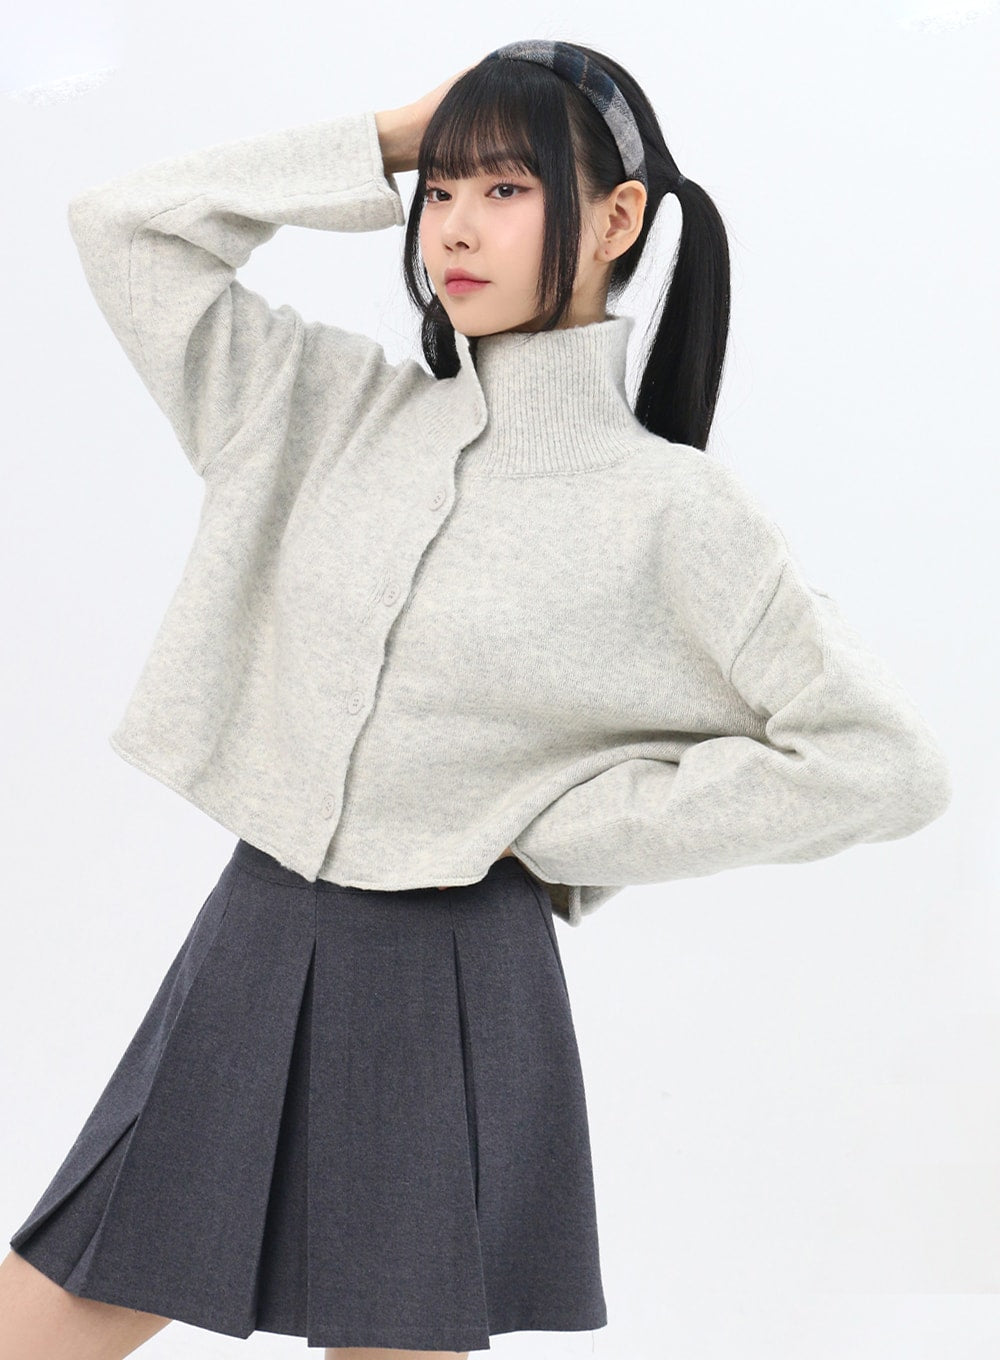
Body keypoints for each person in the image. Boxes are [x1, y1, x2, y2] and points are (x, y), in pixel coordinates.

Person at [0, 37, 951, 1360]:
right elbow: (125, 227)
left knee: (395, 1336)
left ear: (618, 219)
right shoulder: (320, 409)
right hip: (261, 923)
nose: (452, 225)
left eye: (505, 187)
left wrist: (559, 828)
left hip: (456, 964)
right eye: (441, 190)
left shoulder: (672, 510)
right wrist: (388, 137)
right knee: (49, 1314)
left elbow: (883, 762)